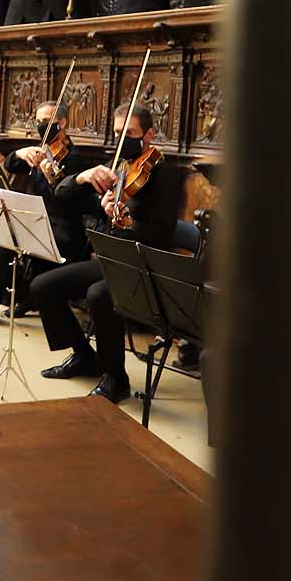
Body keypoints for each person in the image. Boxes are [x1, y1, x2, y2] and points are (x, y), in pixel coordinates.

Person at [28, 106, 184, 401]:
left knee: (99, 295)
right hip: (113, 258)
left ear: (150, 134)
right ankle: (85, 356)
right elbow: (63, 196)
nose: (121, 139)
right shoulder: (121, 167)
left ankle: (116, 379)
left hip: (144, 264)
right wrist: (85, 183)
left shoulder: (164, 176)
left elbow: (162, 234)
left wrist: (127, 220)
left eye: (131, 133)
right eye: (116, 132)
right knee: (43, 287)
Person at [0, 101, 113, 326]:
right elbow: (11, 165)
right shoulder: (40, 152)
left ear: (62, 123)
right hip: (34, 225)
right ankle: (26, 297)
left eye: (46, 121)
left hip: (62, 232)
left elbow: (67, 199)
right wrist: (22, 153)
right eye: (39, 121)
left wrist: (54, 179)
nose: (41, 125)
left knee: (9, 242)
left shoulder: (74, 159)